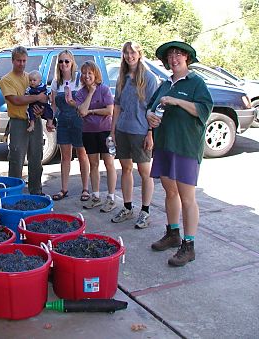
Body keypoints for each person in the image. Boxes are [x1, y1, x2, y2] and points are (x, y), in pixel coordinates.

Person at [147, 41, 213, 267]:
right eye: (170, 56)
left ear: (186, 57)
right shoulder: (165, 83)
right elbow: (151, 106)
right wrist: (149, 116)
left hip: (186, 146)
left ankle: (189, 245)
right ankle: (173, 233)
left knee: (187, 197)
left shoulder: (196, 83)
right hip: (165, 144)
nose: (173, 59)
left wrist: (176, 101)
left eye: (178, 54)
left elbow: (203, 110)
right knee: (170, 191)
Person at [110, 42, 158, 229]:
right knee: (126, 169)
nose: (129, 56)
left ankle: (145, 211)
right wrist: (113, 130)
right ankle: (128, 207)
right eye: (126, 53)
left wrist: (150, 133)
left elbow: (154, 109)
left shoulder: (149, 77)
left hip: (141, 131)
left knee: (145, 172)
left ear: (139, 54)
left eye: (133, 52)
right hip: (123, 130)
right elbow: (117, 106)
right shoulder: (122, 77)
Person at [0, 46, 47, 195]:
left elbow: (44, 97)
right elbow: (15, 100)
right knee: (16, 158)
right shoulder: (6, 80)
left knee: (36, 157)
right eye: (18, 61)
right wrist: (37, 98)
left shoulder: (30, 77)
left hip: (35, 120)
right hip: (18, 122)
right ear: (13, 61)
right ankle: (13, 193)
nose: (21, 63)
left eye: (24, 60)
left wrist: (41, 108)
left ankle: (36, 191)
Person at [75, 60, 117, 213]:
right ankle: (96, 196)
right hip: (88, 132)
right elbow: (81, 111)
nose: (87, 76)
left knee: (109, 163)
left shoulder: (104, 89)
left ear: (95, 74)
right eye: (84, 73)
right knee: (93, 164)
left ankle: (111, 197)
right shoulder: (80, 93)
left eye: (90, 73)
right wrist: (91, 93)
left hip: (106, 131)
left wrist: (92, 112)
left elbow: (109, 111)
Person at [49, 50, 90, 201]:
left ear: (72, 62)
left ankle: (85, 188)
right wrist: (50, 119)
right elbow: (53, 105)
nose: (63, 64)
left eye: (67, 61)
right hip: (63, 122)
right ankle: (64, 189)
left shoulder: (80, 79)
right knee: (65, 156)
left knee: (82, 155)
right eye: (61, 61)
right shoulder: (56, 82)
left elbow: (89, 95)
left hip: (79, 120)